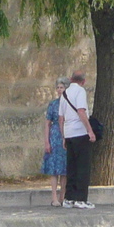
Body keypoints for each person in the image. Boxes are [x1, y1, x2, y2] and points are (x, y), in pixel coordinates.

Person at [60, 71, 96, 209]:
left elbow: (61, 118)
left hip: (68, 133)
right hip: (80, 133)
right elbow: (81, 111)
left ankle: (68, 198)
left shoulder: (64, 94)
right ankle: (81, 199)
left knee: (72, 167)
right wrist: (89, 130)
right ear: (83, 81)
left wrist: (63, 136)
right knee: (83, 167)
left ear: (70, 79)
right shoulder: (80, 91)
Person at [42, 77, 70, 206]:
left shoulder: (70, 104)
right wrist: (47, 141)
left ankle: (62, 196)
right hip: (54, 136)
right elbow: (47, 123)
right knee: (54, 168)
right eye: (58, 87)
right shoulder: (53, 104)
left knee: (64, 169)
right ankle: (54, 197)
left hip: (67, 135)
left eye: (62, 87)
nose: (59, 90)